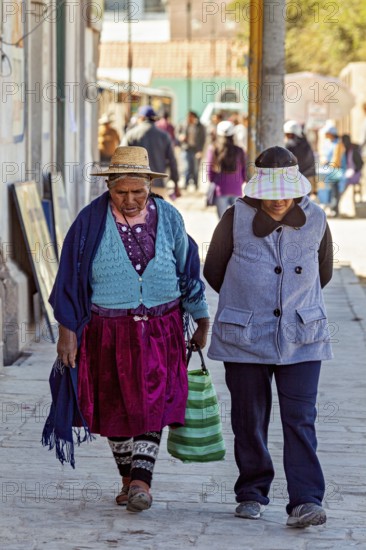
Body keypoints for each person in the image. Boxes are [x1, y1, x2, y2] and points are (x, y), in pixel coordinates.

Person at [46, 146, 210, 512]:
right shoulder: (89, 222)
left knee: (156, 400)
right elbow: (70, 280)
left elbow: (187, 268)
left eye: (138, 191)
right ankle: (127, 479)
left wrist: (201, 318)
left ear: (150, 186)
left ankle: (141, 482)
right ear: (109, 187)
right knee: (114, 403)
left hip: (162, 327)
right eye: (122, 192)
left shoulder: (168, 217)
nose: (131, 199)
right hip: (108, 330)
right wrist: (67, 332)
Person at [203, 146, 333, 528]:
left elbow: (321, 274)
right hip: (244, 336)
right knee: (249, 418)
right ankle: (252, 491)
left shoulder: (317, 218)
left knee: (300, 418)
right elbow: (214, 271)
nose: (278, 200)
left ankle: (306, 500)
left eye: (285, 191)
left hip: (302, 335)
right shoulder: (233, 217)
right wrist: (248, 302)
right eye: (270, 191)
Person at [122, 106, 180, 199]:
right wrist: (176, 183)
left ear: (141, 118)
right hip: (159, 184)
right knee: (157, 212)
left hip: (136, 186)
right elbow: (172, 161)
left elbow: (121, 159)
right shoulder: (164, 136)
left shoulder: (131, 135)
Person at [205, 120, 246, 218]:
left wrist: (215, 181)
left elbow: (210, 171)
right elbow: (245, 171)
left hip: (221, 190)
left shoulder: (213, 149)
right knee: (236, 223)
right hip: (236, 189)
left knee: (222, 223)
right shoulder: (240, 150)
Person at [284, 120, 317, 197]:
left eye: (286, 134)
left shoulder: (290, 145)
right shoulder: (306, 144)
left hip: (294, 180)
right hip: (307, 180)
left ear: (290, 134)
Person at [178, 111, 206, 190]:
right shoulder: (183, 125)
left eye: (190, 117)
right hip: (186, 148)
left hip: (196, 150)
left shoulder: (199, 126)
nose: (189, 119)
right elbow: (177, 133)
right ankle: (186, 184)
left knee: (195, 168)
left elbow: (203, 139)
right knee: (187, 167)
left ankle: (196, 184)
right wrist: (180, 137)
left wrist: (200, 150)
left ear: (194, 117)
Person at [319, 123, 343, 216]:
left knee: (334, 190)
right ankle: (329, 207)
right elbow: (324, 155)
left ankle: (335, 209)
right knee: (326, 190)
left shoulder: (338, 143)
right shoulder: (328, 143)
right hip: (327, 170)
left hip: (335, 170)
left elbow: (336, 158)